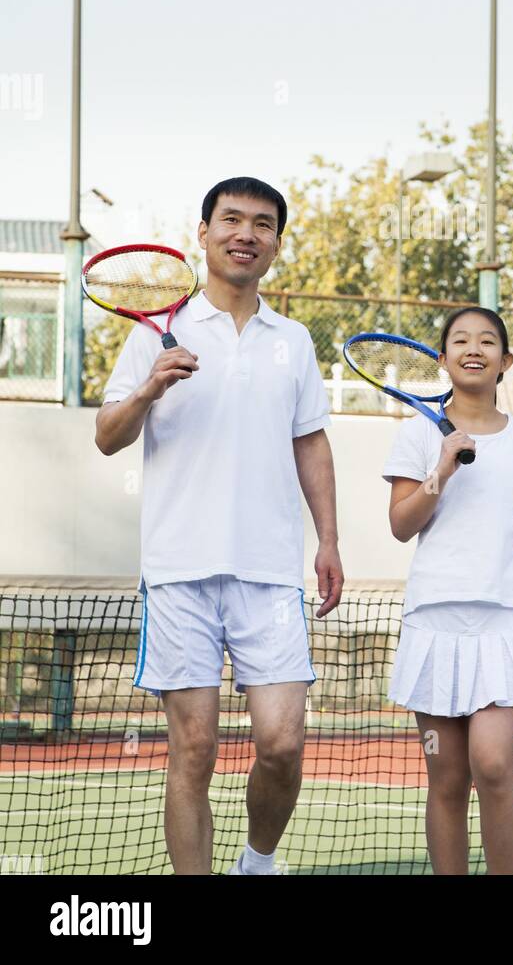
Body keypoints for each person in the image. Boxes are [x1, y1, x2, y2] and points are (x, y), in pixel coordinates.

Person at [95, 176, 343, 875]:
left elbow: (310, 443)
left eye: (262, 224)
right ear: (201, 233)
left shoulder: (293, 342)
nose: (246, 233)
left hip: (269, 574)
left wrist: (328, 539)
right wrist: (149, 388)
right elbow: (108, 437)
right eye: (231, 220)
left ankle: (257, 862)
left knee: (282, 742)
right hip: (178, 572)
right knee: (194, 747)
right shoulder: (153, 335)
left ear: (275, 244)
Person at [383, 307, 513, 875]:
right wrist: (443, 466)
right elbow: (401, 524)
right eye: (459, 340)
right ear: (443, 358)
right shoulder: (415, 434)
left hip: (504, 625)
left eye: (488, 341)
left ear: (505, 362)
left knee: (492, 765)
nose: (473, 348)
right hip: (433, 623)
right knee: (447, 776)